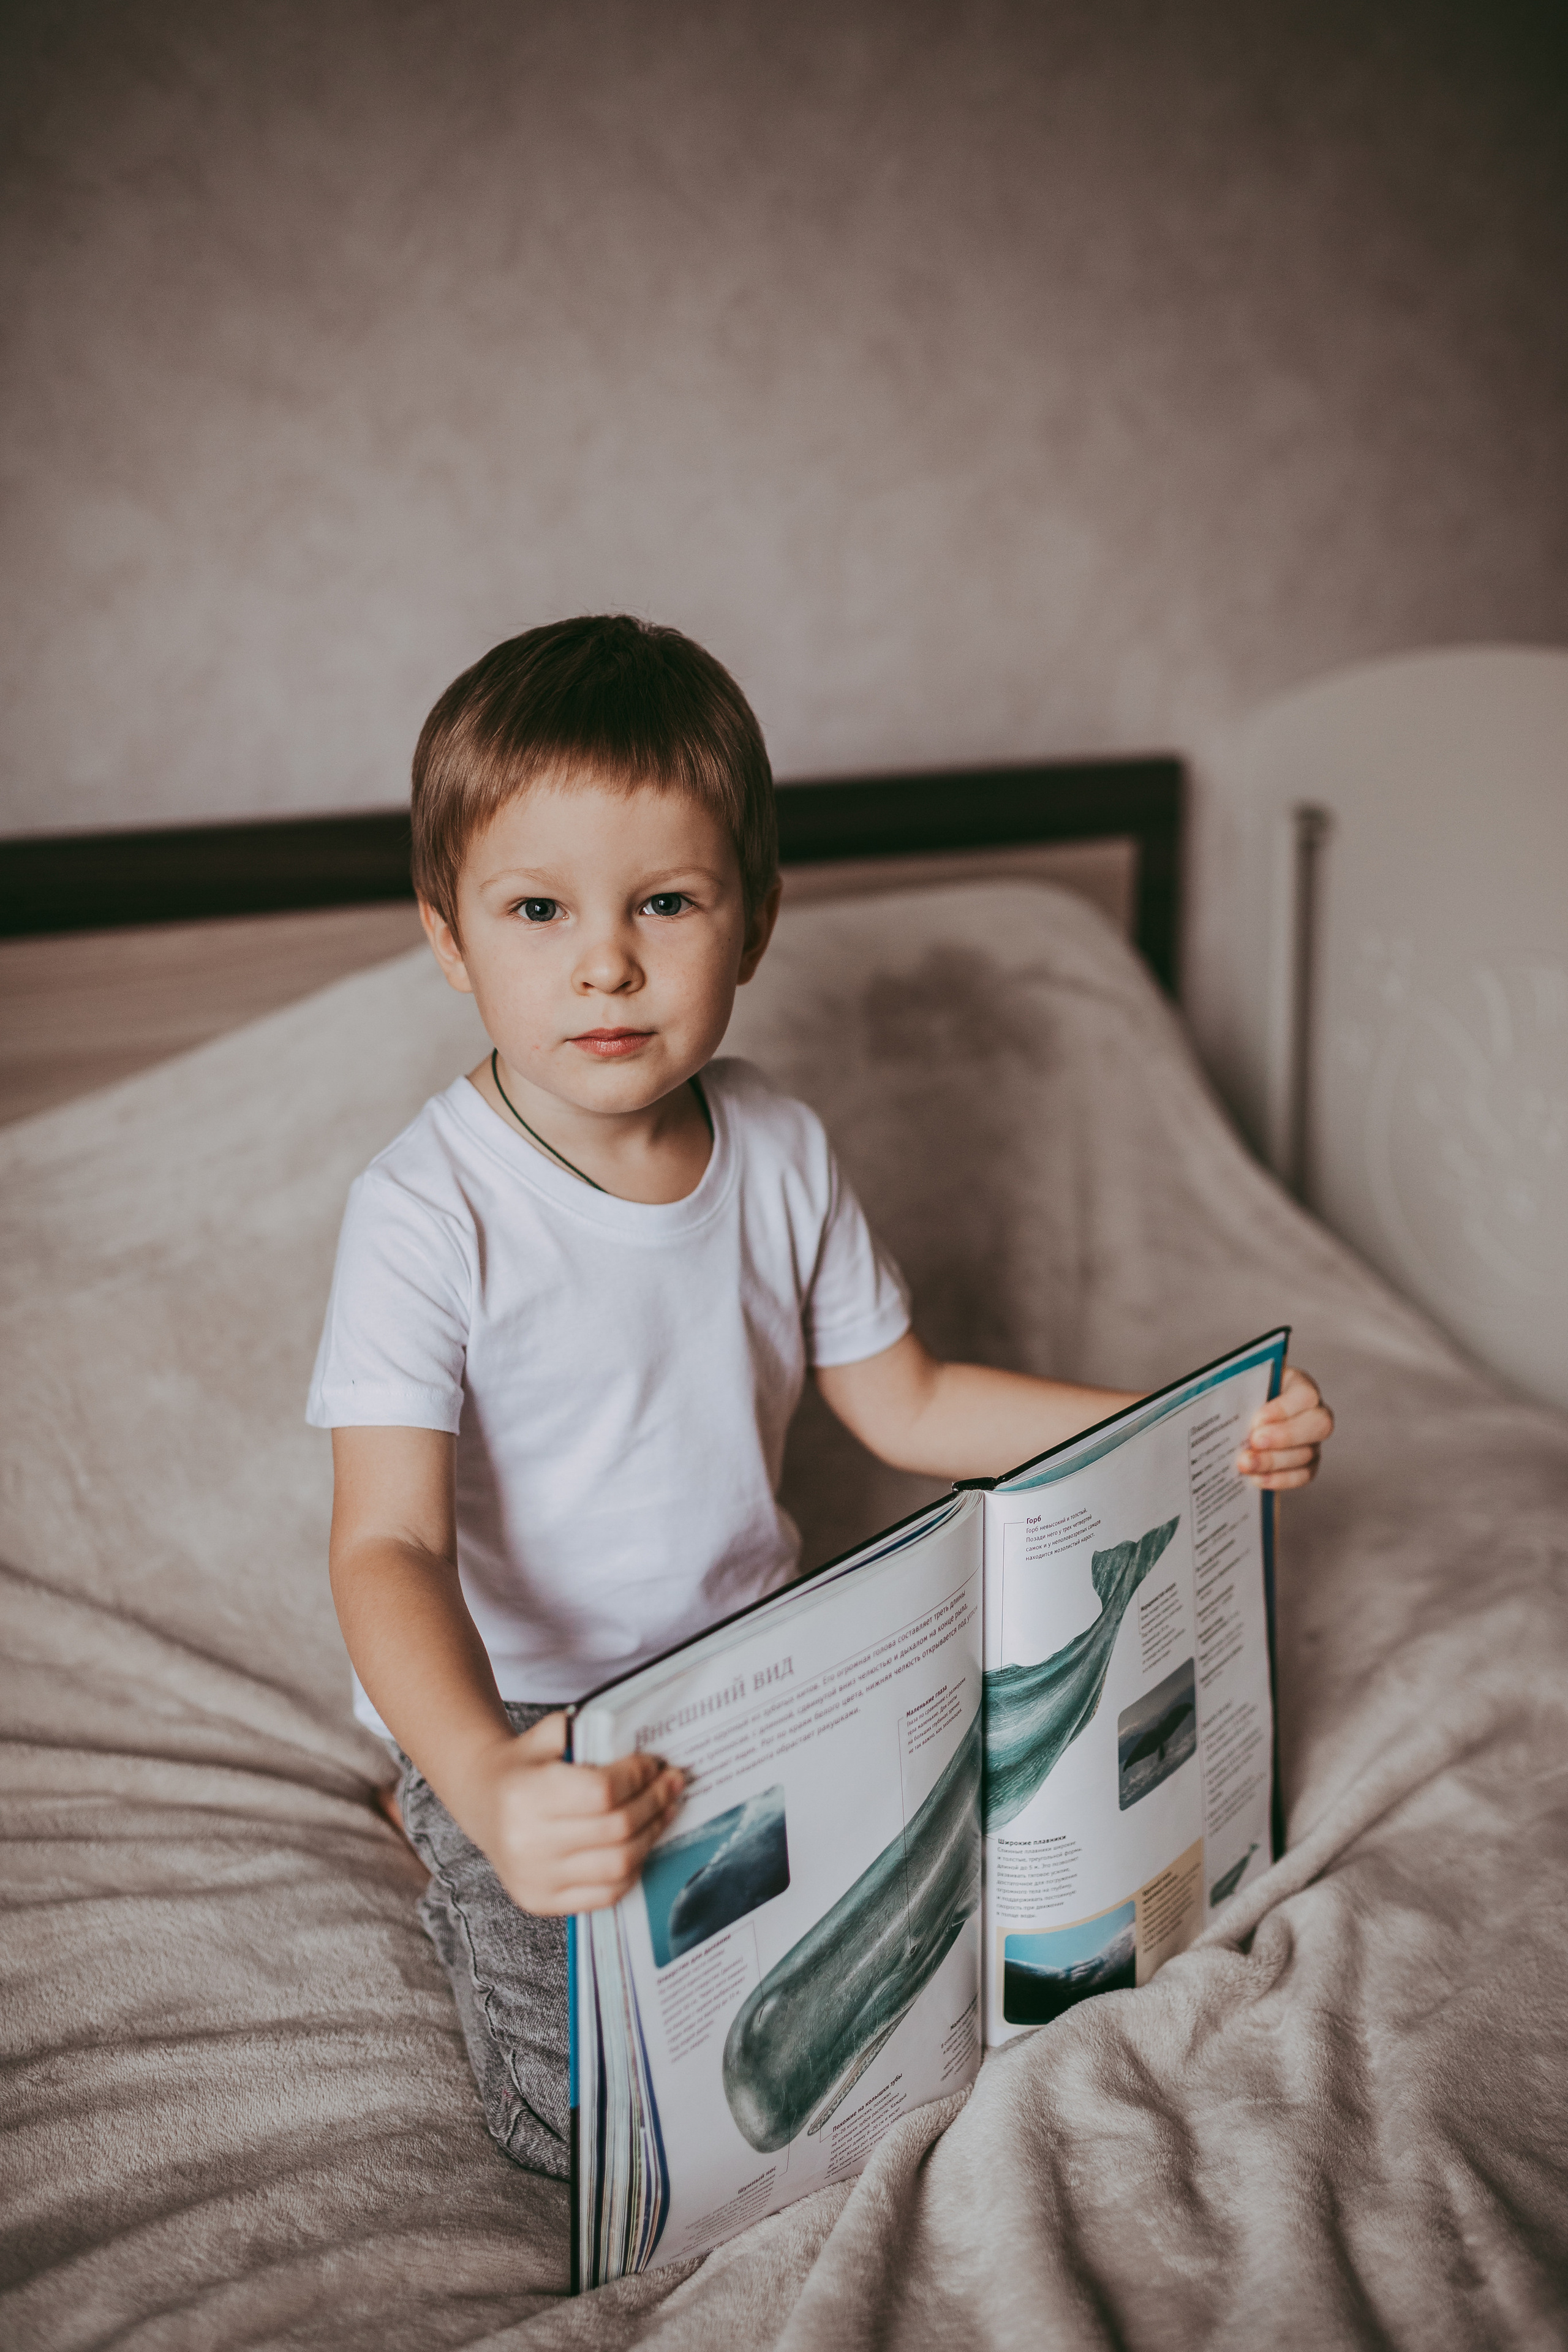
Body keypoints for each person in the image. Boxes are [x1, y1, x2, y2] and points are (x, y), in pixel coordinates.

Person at [308, 614, 1332, 2176]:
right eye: (537, 909)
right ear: (449, 937)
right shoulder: (422, 1213)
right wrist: (487, 1780)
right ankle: (436, 1828)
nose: (605, 961)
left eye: (665, 902)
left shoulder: (777, 1149)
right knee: (586, 2123)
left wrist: (1188, 1421)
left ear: (755, 920)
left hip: (756, 1661)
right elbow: (387, 1544)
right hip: (517, 1702)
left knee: (935, 1946)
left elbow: (908, 1402)